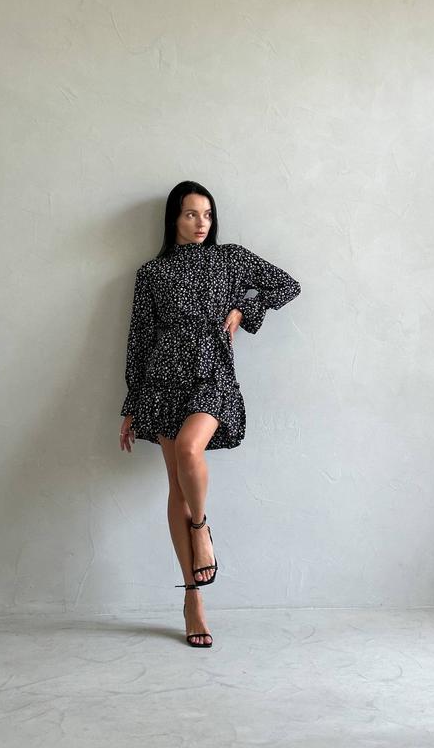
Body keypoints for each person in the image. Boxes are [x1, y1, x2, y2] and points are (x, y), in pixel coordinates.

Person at [119, 180, 301, 647]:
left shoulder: (229, 258)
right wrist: (131, 405)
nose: (201, 223)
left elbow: (287, 285)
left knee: (188, 449)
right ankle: (192, 599)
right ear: (173, 219)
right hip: (162, 381)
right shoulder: (151, 273)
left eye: (207, 214)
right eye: (190, 214)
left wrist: (243, 308)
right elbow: (139, 340)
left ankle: (201, 527)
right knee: (175, 485)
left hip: (212, 374)